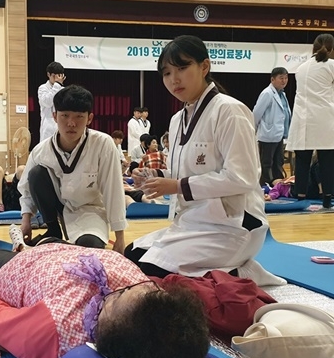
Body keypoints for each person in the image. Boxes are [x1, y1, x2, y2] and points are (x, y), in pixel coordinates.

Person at [124, 35, 285, 286]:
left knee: (150, 270)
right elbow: (183, 172)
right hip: (193, 222)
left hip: (231, 227)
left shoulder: (230, 110)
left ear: (204, 67)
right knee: (131, 255)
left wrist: (177, 186)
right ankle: (229, 272)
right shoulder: (177, 120)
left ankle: (240, 273)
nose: (174, 79)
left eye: (182, 68)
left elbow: (242, 177)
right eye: (166, 73)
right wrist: (157, 177)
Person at [0, 240, 210, 358]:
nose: (117, 289)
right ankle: (24, 243)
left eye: (117, 298)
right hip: (65, 250)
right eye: (131, 289)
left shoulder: (52, 331)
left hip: (20, 268)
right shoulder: (145, 293)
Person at [18, 85, 128, 253]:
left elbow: (113, 190)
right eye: (65, 116)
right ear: (54, 116)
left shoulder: (103, 144)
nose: (71, 123)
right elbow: (26, 189)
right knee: (36, 174)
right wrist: (26, 220)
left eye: (79, 116)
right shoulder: (41, 151)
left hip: (90, 210)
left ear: (89, 118)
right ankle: (53, 230)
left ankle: (52, 244)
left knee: (91, 248)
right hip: (58, 208)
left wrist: (120, 237)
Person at [286, 33, 334, 209]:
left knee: (302, 161)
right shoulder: (331, 66)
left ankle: (299, 197)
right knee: (327, 161)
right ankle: (327, 198)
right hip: (324, 119)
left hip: (303, 119)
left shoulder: (301, 68)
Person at [252, 67, 291, 186]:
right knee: (266, 163)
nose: (284, 81)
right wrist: (254, 130)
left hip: (279, 134)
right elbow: (256, 113)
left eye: (285, 78)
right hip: (268, 135)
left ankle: (278, 186)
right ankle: (265, 186)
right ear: (272, 79)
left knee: (278, 162)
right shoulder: (267, 93)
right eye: (281, 78)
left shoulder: (282, 94)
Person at [38, 61, 66, 142]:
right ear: (48, 74)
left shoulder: (64, 90)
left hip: (61, 126)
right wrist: (57, 85)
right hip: (47, 127)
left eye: (59, 76)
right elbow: (47, 102)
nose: (56, 78)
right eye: (54, 76)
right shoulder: (43, 88)